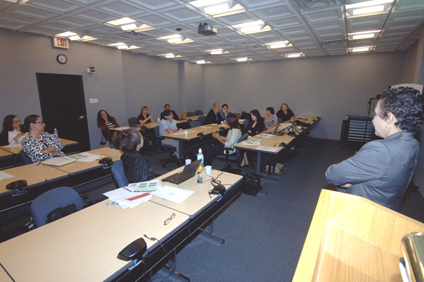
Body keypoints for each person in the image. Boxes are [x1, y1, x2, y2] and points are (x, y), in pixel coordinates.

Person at [325, 87, 424, 211]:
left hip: (363, 211)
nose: (373, 119)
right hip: (387, 209)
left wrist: (351, 179)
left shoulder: (381, 150)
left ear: (389, 118)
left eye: (376, 114)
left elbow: (333, 174)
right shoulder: (412, 143)